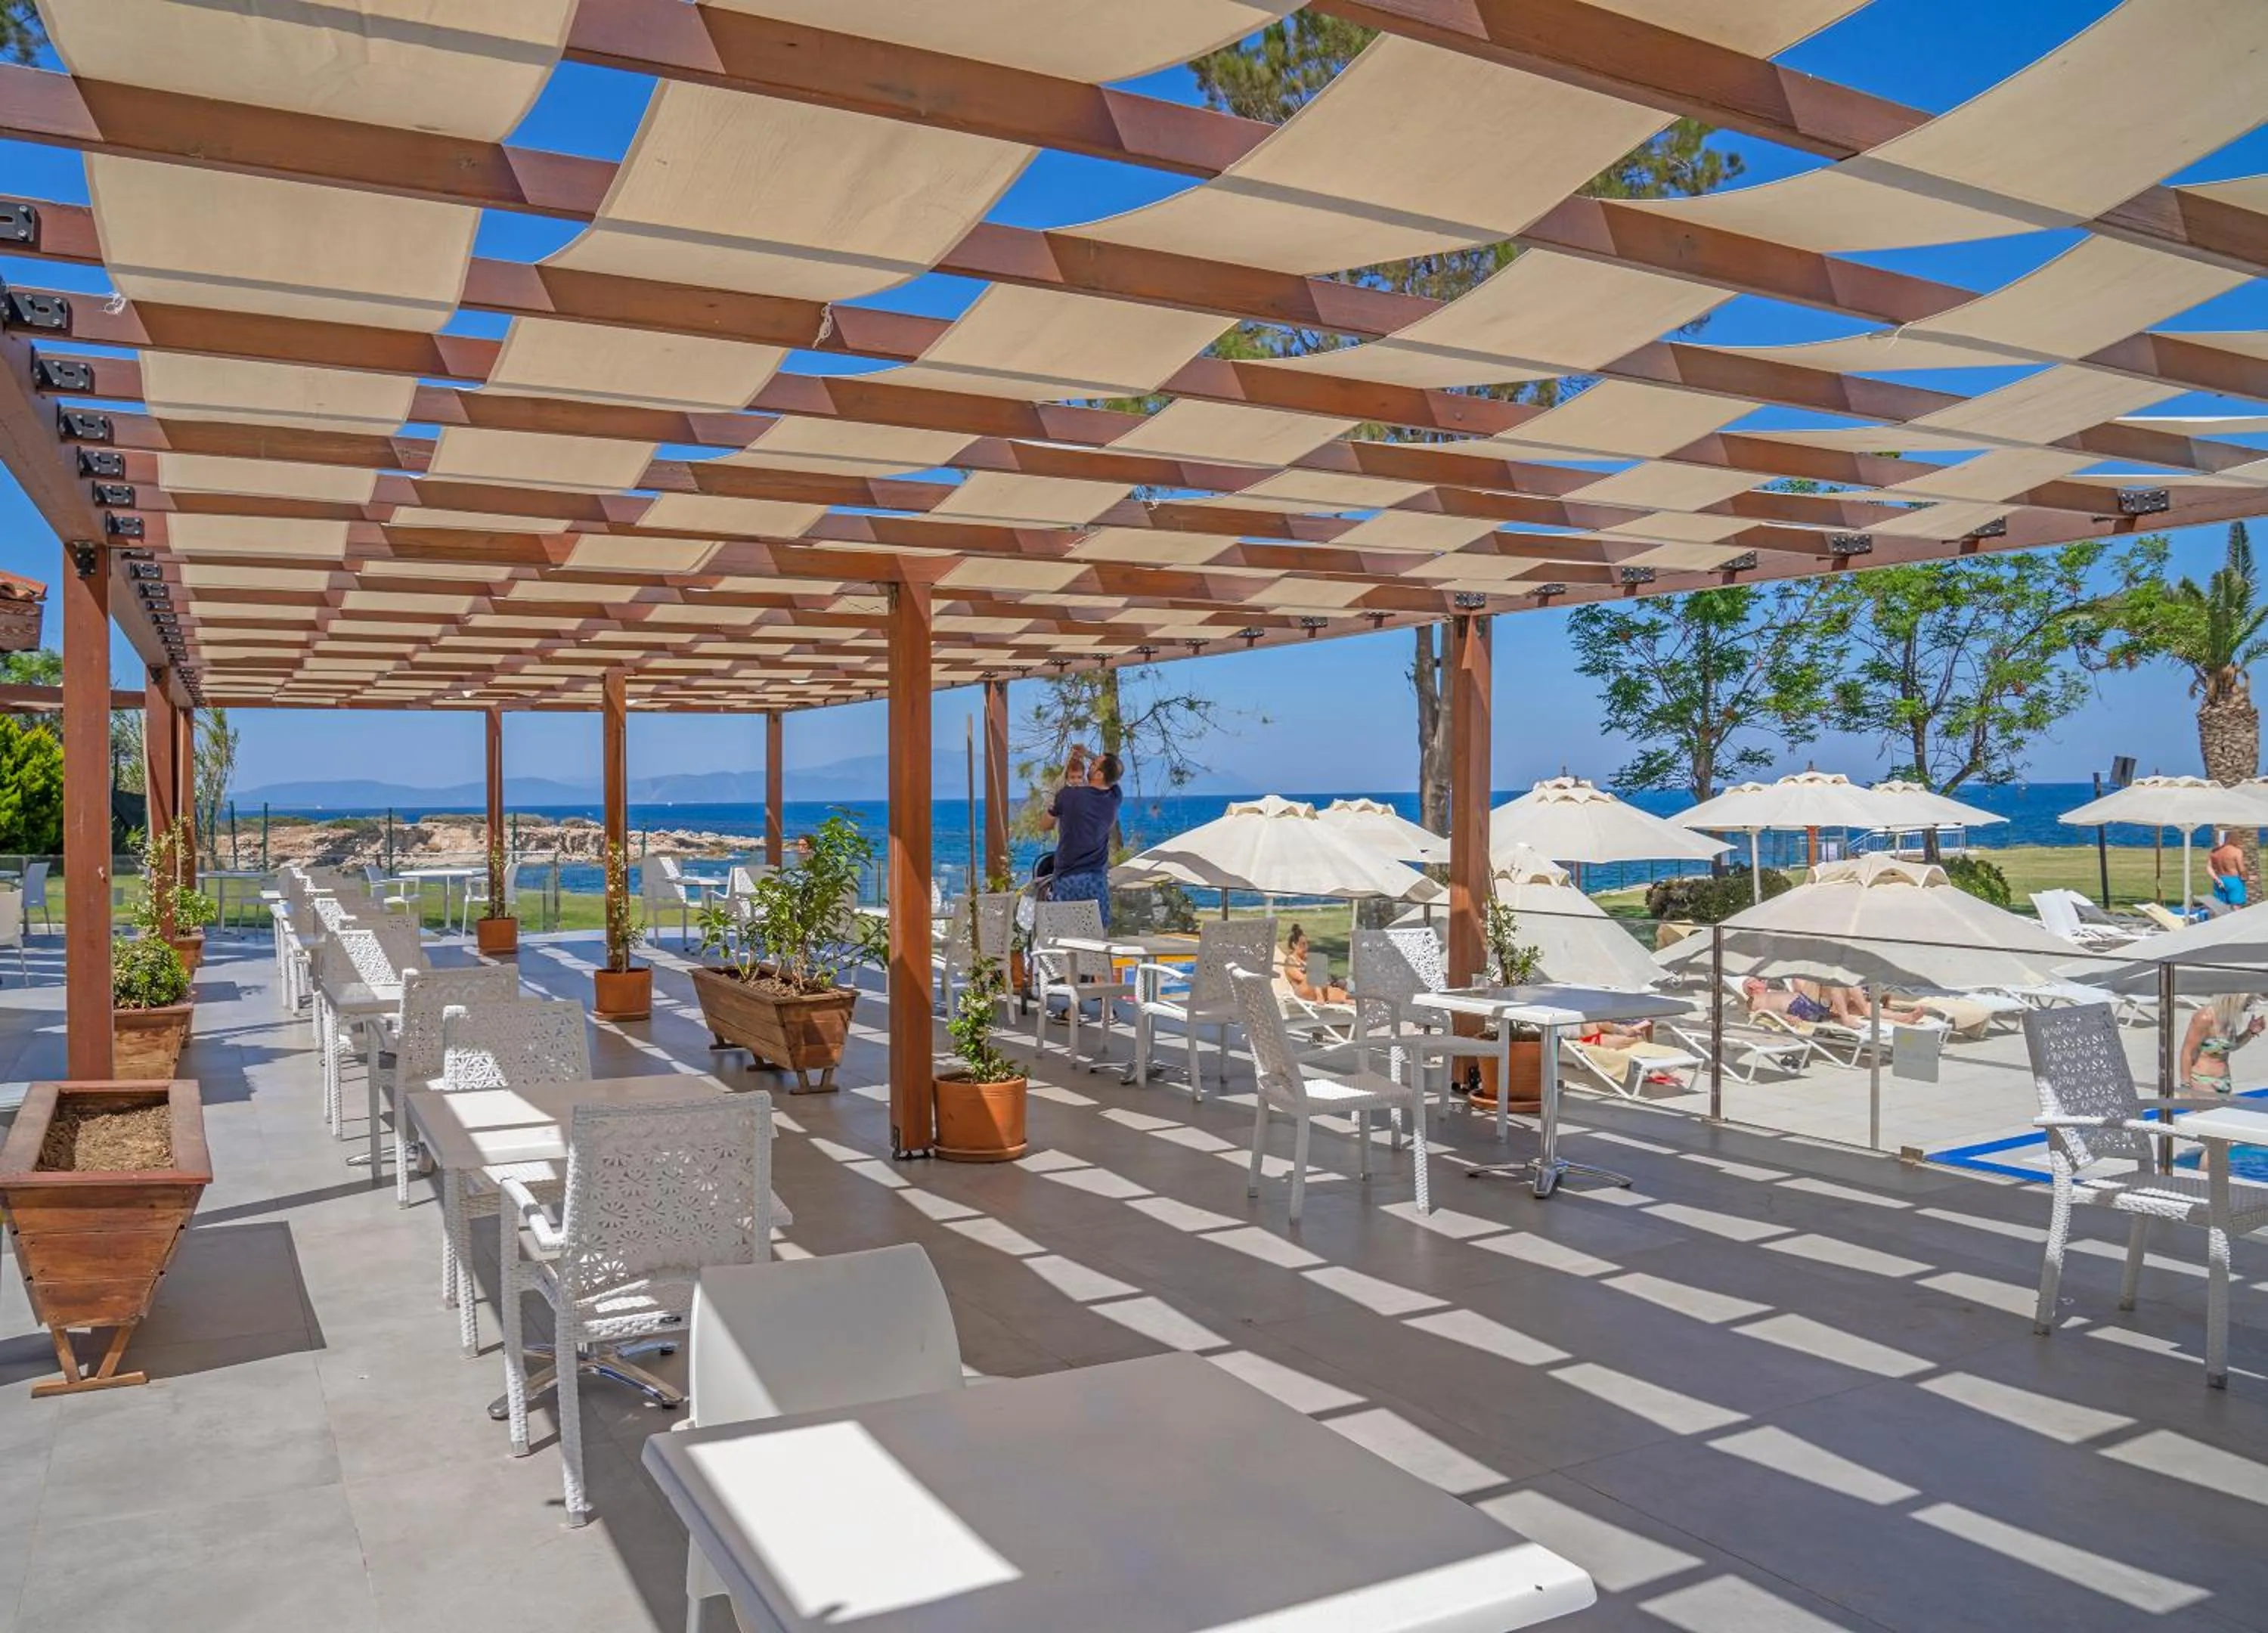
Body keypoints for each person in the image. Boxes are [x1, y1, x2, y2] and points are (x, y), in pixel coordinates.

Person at [1036, 745, 1122, 927]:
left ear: (1099, 774)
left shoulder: (1068, 796)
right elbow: (1115, 773)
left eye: (1094, 764)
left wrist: (1052, 804)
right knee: (1097, 935)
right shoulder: (1114, 798)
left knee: (1065, 936)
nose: (1090, 764)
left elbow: (1044, 825)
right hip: (1096, 878)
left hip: (1068, 877)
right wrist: (1089, 755)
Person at [2182, 993, 2265, 1095]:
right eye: (2246, 1003)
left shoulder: (2229, 1018)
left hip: (2224, 1081)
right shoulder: (2205, 1017)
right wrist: (2185, 1087)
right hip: (2203, 1080)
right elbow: (2187, 1052)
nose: (2247, 1007)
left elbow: (2230, 1046)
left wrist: (2250, 1032)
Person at [1282, 924, 1347, 1005]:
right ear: (1294, 945)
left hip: (1316, 988)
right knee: (1317, 965)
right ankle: (1320, 997)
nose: (1306, 947)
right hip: (1302, 992)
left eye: (1307, 944)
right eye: (1303, 944)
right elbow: (1302, 978)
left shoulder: (1307, 959)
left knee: (1343, 995)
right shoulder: (1290, 962)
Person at [2209, 830, 2248, 909]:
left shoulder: (2215, 852)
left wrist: (2216, 879)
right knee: (2236, 907)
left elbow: (2209, 867)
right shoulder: (2236, 851)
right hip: (2234, 880)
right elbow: (2241, 869)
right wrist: (2245, 878)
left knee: (2220, 907)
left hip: (2220, 880)